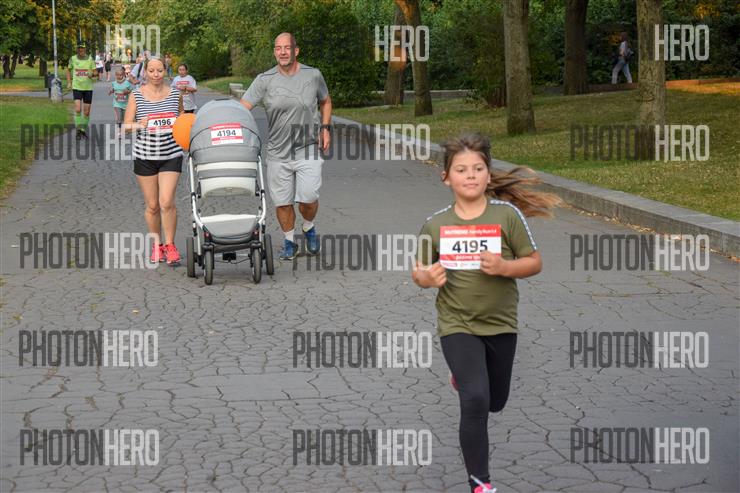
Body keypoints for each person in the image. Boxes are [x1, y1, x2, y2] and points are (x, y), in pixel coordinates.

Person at [412, 133, 560, 493]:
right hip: (457, 324)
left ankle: (464, 378)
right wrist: (426, 278)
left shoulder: (506, 216)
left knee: (495, 400)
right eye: (461, 169)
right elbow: (419, 271)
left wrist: (504, 267)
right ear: (446, 177)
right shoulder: (435, 225)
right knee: (475, 398)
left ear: (488, 174)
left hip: (501, 323)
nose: (470, 175)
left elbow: (534, 262)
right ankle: (480, 484)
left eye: (478, 168)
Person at [240, 32, 332, 260]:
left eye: (287, 48)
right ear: (274, 52)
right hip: (277, 151)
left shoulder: (313, 75)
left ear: (295, 51)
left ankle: (308, 226)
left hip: (307, 147)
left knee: (308, 197)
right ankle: (290, 241)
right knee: (282, 202)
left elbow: (325, 101)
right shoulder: (264, 79)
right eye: (278, 48)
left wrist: (325, 128)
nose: (282, 52)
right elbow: (242, 108)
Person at [123, 55, 184, 265]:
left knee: (166, 202)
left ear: (165, 71)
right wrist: (140, 124)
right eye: (151, 71)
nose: (156, 75)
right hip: (145, 156)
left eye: (160, 70)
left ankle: (170, 245)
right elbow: (126, 126)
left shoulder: (175, 94)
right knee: (152, 205)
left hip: (171, 154)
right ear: (145, 73)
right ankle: (157, 245)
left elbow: (183, 120)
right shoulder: (136, 95)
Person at [66, 43, 97, 140]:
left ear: (85, 49)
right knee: (78, 109)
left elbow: (96, 72)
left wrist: (92, 74)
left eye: (82, 48)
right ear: (77, 49)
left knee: (86, 112)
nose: (81, 50)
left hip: (88, 88)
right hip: (77, 87)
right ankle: (78, 130)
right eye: (79, 48)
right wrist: (69, 82)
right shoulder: (73, 59)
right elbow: (68, 70)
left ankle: (82, 131)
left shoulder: (90, 59)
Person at [109, 67, 133, 134]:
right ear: (115, 75)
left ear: (123, 75)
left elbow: (131, 90)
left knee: (125, 118)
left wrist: (127, 91)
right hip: (117, 103)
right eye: (117, 75)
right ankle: (119, 130)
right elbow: (112, 89)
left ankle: (126, 129)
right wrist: (111, 91)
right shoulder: (114, 83)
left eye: (120, 75)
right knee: (119, 117)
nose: (119, 76)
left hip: (125, 103)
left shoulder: (127, 83)